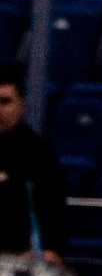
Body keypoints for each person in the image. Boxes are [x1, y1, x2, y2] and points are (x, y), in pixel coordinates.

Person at [0, 70, 67, 259]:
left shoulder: (38, 154)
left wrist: (49, 251)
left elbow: (53, 211)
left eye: (5, 101)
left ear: (22, 105)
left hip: (18, 259)